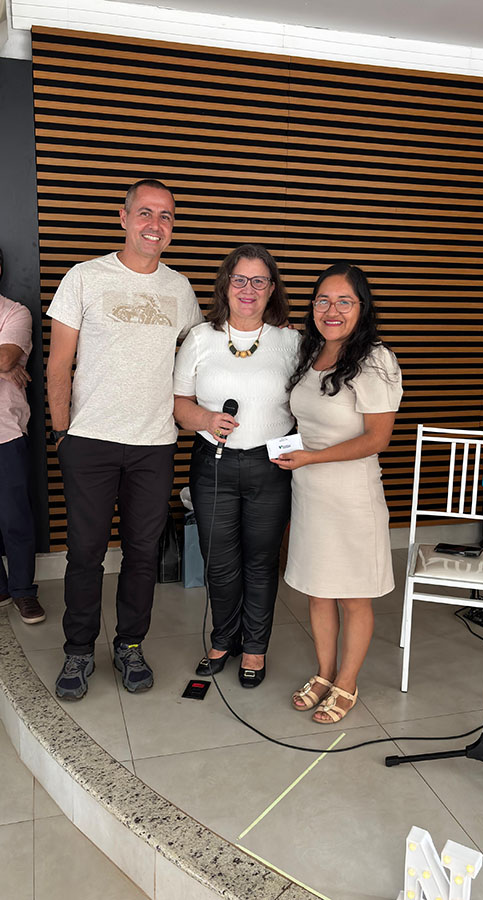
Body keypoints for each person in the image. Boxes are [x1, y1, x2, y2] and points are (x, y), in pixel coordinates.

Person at [46, 179, 203, 700]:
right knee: (85, 554)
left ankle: (130, 645)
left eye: (166, 216)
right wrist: (63, 433)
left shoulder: (180, 289)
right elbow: (58, 364)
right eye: (145, 213)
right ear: (124, 217)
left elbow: (196, 359)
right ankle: (78, 651)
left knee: (141, 554)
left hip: (154, 445)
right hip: (89, 441)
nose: (156, 224)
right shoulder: (85, 277)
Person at [273, 262, 402, 722]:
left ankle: (347, 682)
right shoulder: (310, 351)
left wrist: (312, 457)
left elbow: (377, 439)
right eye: (323, 301)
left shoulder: (375, 359)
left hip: (351, 497)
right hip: (309, 492)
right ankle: (324, 672)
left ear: (362, 307)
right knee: (318, 590)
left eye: (344, 301)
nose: (332, 310)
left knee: (352, 596)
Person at [173, 244, 299, 687]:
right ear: (225, 284)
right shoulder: (200, 338)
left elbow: (308, 403)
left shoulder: (291, 342)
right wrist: (207, 419)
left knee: (261, 563)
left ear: (272, 289)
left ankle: (255, 648)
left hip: (271, 467)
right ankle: (223, 639)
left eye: (259, 280)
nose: (248, 289)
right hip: (214, 465)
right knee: (219, 563)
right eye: (240, 279)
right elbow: (179, 403)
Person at [0, 249, 45, 625]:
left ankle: (23, 591)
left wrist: (6, 363)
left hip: (7, 432)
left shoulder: (15, 312)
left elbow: (5, 358)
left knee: (15, 518)